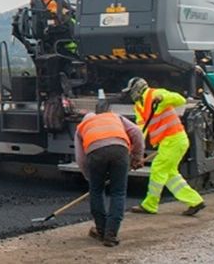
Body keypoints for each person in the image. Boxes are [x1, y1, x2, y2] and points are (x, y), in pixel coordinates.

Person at [121, 77, 205, 216]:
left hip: (175, 139)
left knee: (158, 169)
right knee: (170, 175)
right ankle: (195, 201)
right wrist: (136, 152)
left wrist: (163, 98)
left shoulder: (156, 94)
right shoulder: (138, 106)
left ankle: (150, 205)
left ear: (138, 89)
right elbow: (142, 129)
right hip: (167, 142)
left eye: (131, 91)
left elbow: (180, 99)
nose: (130, 95)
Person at [74, 98, 145, 247]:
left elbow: (80, 158)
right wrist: (137, 157)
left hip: (95, 152)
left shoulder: (82, 126)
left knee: (96, 191)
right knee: (118, 193)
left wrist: (89, 177)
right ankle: (111, 235)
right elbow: (137, 131)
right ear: (107, 111)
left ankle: (101, 231)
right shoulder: (115, 117)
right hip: (120, 150)